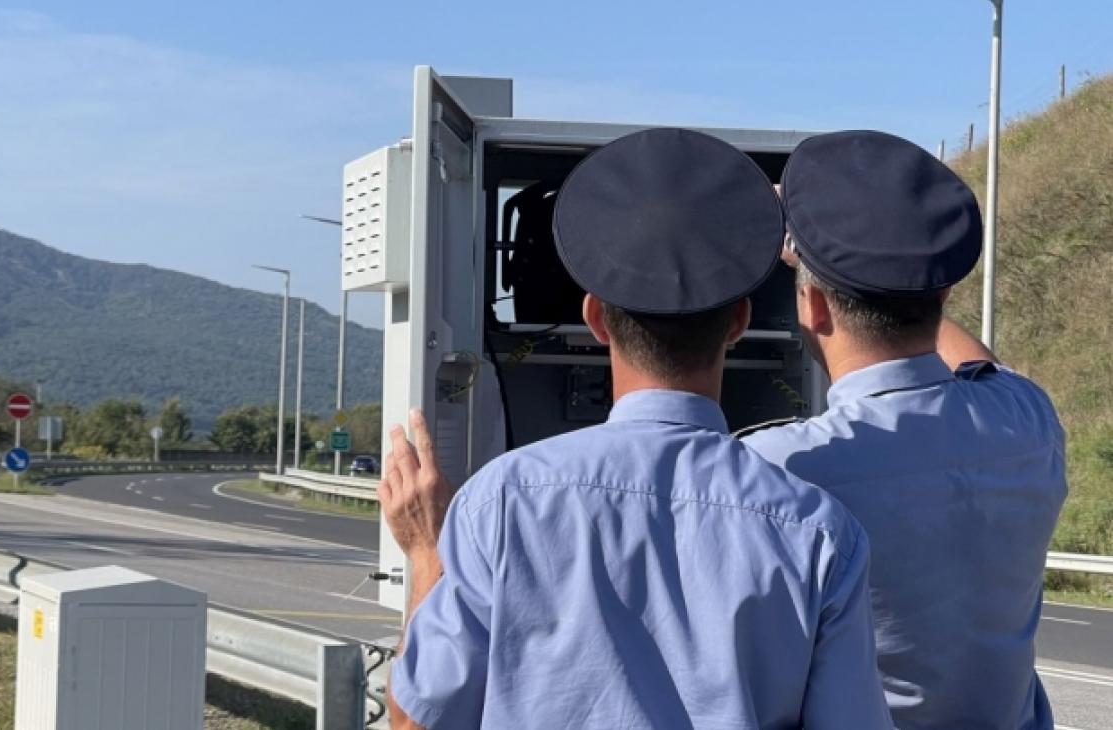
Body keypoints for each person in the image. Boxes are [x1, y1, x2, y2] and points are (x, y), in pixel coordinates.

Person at [379, 128, 892, 729]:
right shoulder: (822, 534)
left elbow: (416, 722)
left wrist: (426, 558)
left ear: (594, 318)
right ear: (739, 321)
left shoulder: (499, 502)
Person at [741, 130, 1067, 729]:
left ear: (811, 307)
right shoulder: (1027, 421)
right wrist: (893, 266)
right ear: (942, 292)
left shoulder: (776, 472)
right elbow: (979, 365)